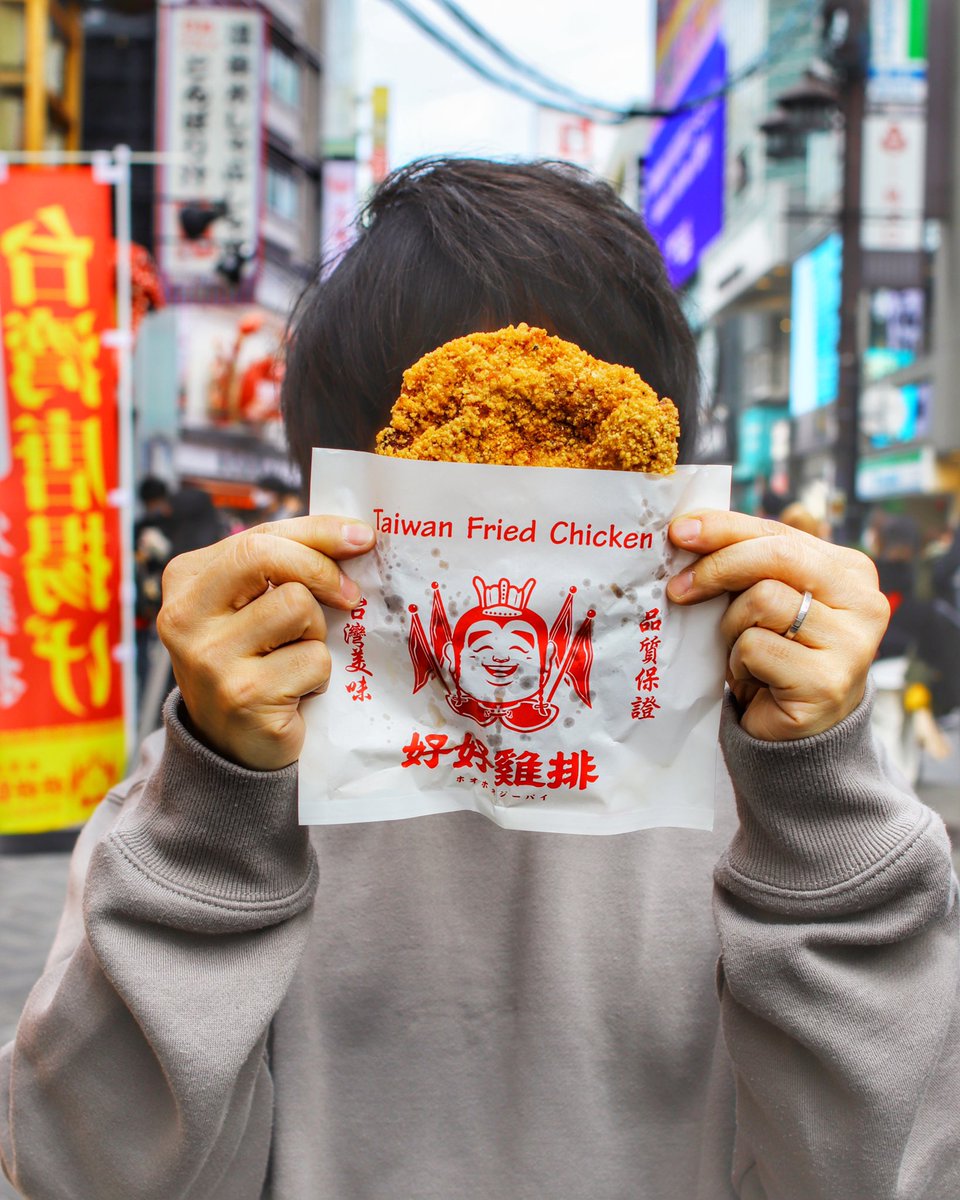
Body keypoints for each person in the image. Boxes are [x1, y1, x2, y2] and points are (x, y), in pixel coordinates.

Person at [2, 158, 958, 1200]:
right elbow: (78, 1174)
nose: (510, 539)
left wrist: (819, 799)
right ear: (334, 486)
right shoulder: (213, 795)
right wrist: (215, 811)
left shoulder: (778, 798)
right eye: (442, 493)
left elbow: (885, 1169)